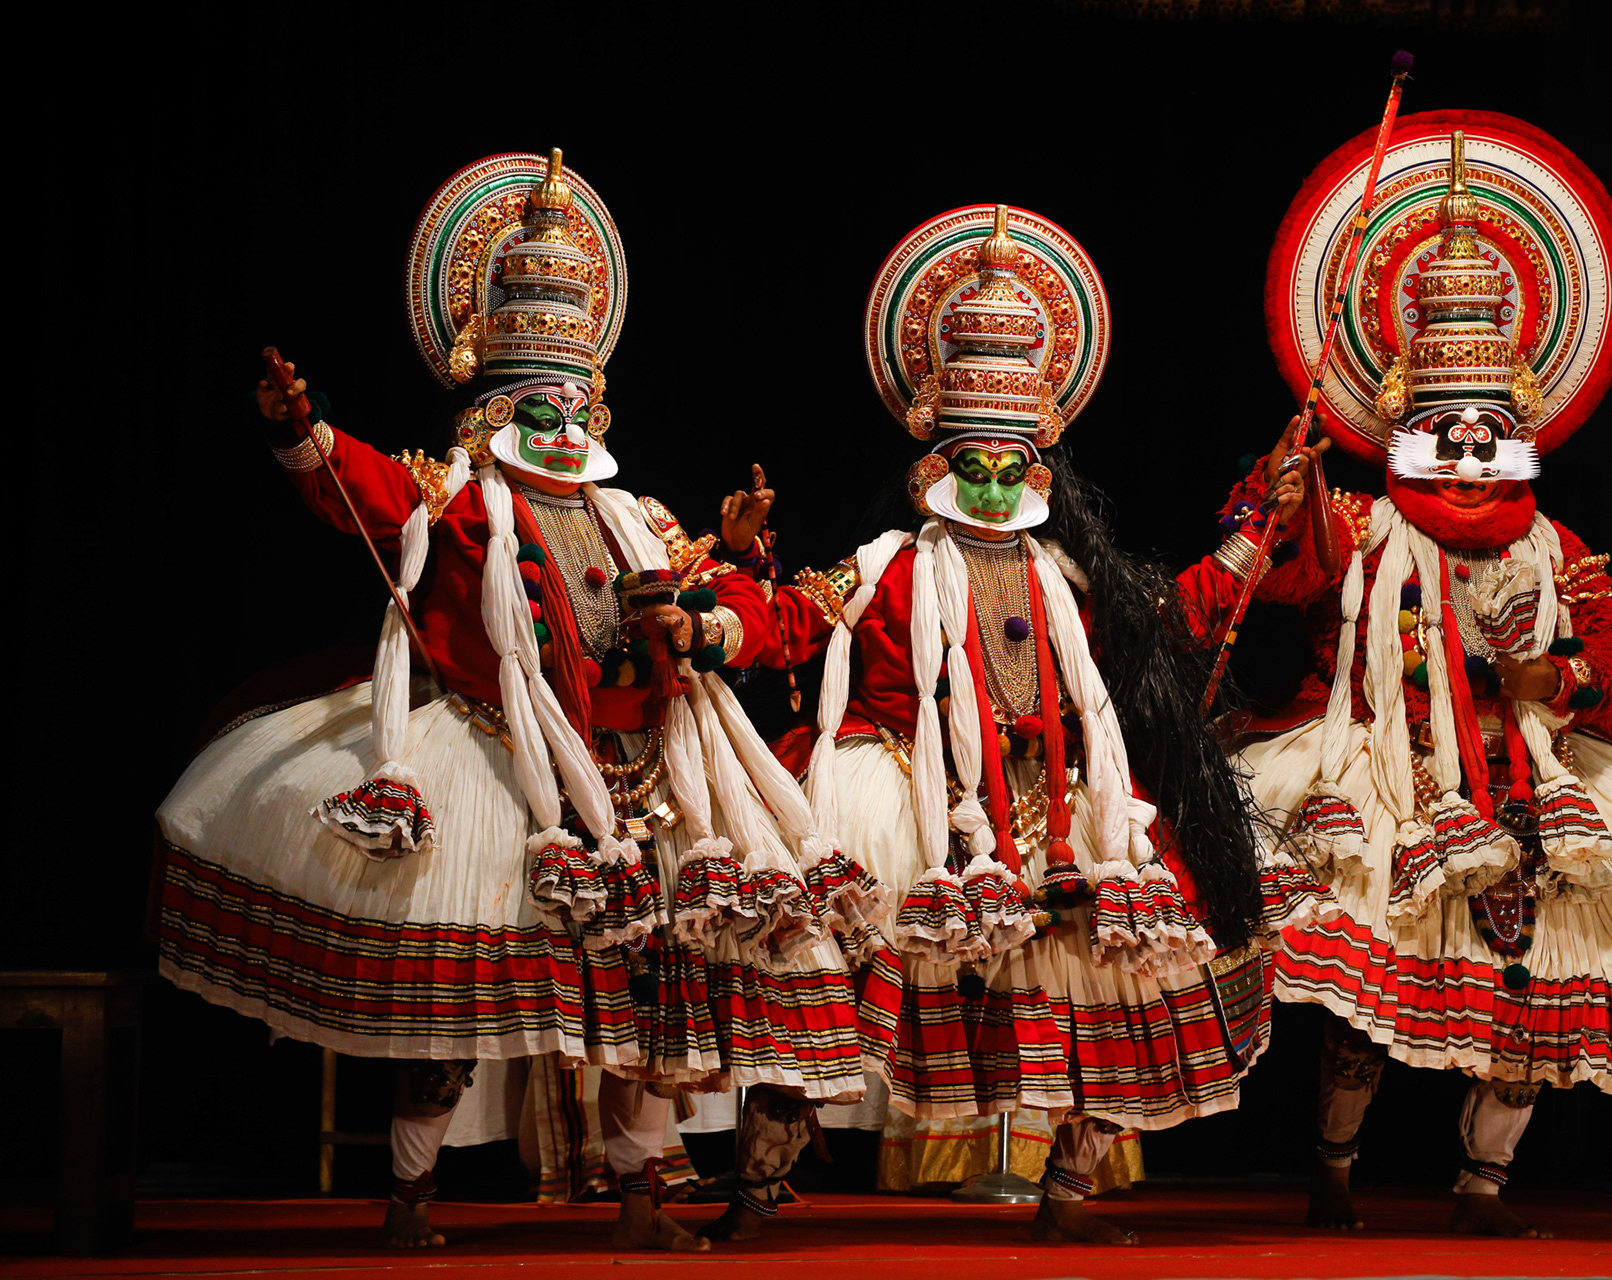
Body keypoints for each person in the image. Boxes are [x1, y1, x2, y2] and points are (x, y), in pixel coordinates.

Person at [152, 150, 862, 1252]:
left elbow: (736, 610)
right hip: (503, 767)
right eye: (537, 399)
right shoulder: (458, 498)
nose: (558, 418)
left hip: (641, 785)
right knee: (458, 1005)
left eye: (571, 399)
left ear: (596, 398)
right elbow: (361, 492)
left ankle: (636, 1202)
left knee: (646, 1009)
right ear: (494, 396)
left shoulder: (638, 518)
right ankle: (409, 1199)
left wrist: (702, 617)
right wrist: (303, 431)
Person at [1223, 119, 1612, 1238]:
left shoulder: (1556, 548)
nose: (1469, 450)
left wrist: (1567, 673)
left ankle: (1482, 1186)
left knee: (1532, 999)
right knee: (1363, 1000)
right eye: (1446, 427)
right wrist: (1279, 488)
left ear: (1523, 427)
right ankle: (1333, 1167)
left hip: (1534, 783)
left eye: (1489, 429)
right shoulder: (1364, 523)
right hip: (1390, 777)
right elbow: (1285, 573)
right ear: (1406, 424)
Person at [703, 204, 1323, 1245]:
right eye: (970, 466)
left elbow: (1179, 616)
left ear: (1038, 470)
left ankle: (1067, 1195)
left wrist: (1262, 513)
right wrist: (722, 613)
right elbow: (794, 619)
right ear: (930, 469)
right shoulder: (885, 563)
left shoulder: (1074, 576)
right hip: (900, 791)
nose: (989, 485)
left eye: (1008, 467)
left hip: (1044, 797)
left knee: (1118, 987)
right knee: (829, 1000)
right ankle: (756, 1193)